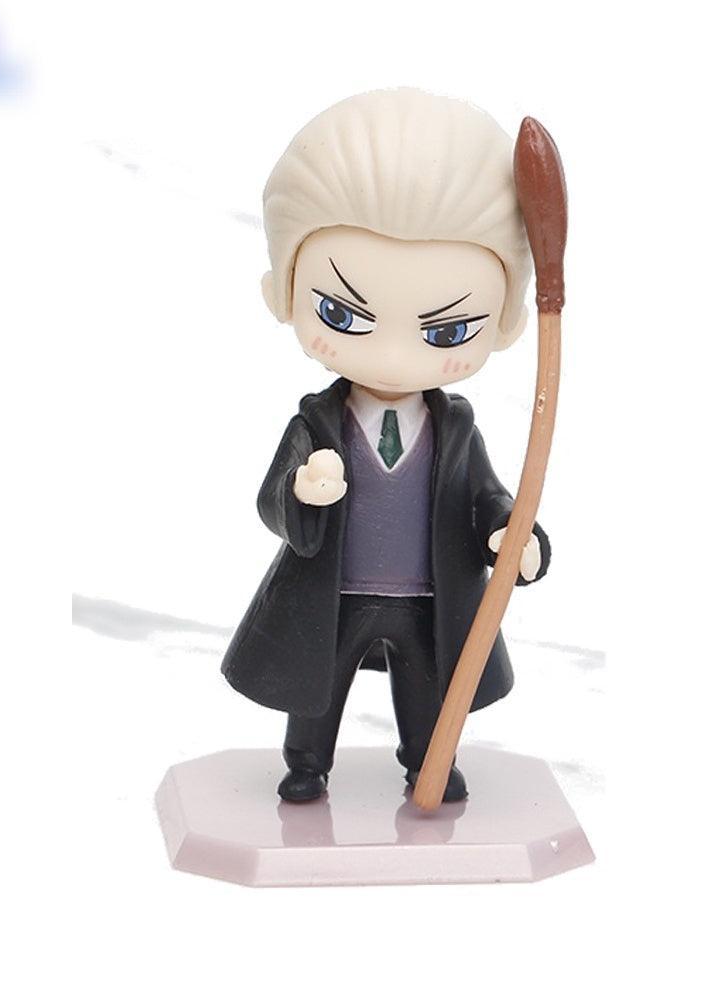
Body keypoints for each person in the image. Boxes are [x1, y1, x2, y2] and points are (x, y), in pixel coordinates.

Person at [222, 89, 550, 803]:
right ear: (283, 291)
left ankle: (426, 761)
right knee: (319, 686)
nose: (395, 358)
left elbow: (488, 497)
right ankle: (307, 764)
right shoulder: (318, 423)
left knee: (430, 688)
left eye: (446, 330)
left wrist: (510, 535)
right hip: (335, 588)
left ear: (505, 323)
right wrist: (300, 492)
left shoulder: (455, 430)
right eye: (342, 314)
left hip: (427, 592)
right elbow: (272, 500)